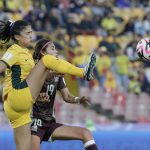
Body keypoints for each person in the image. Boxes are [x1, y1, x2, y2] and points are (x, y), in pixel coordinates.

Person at [0, 20, 96, 150]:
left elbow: (34, 77)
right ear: (17, 37)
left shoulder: (25, 53)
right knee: (46, 60)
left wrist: (53, 76)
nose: (31, 36)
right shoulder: (15, 50)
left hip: (17, 108)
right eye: (27, 33)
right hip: (17, 95)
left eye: (31, 33)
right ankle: (83, 72)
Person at [31, 39, 99, 150]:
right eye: (52, 49)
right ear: (43, 53)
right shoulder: (32, 71)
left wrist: (78, 99)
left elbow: (67, 97)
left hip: (49, 123)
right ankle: (83, 72)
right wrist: (38, 97)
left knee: (85, 133)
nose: (56, 51)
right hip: (33, 122)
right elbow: (26, 94)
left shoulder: (58, 75)